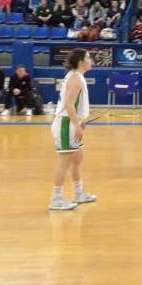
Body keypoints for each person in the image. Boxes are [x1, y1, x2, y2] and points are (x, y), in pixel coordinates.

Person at [48, 49, 97, 211]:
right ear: (81, 61)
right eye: (88, 58)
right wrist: (77, 125)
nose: (91, 60)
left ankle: (79, 193)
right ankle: (56, 199)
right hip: (65, 123)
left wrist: (79, 122)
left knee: (77, 158)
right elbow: (69, 104)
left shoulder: (76, 76)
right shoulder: (76, 78)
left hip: (70, 122)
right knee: (65, 160)